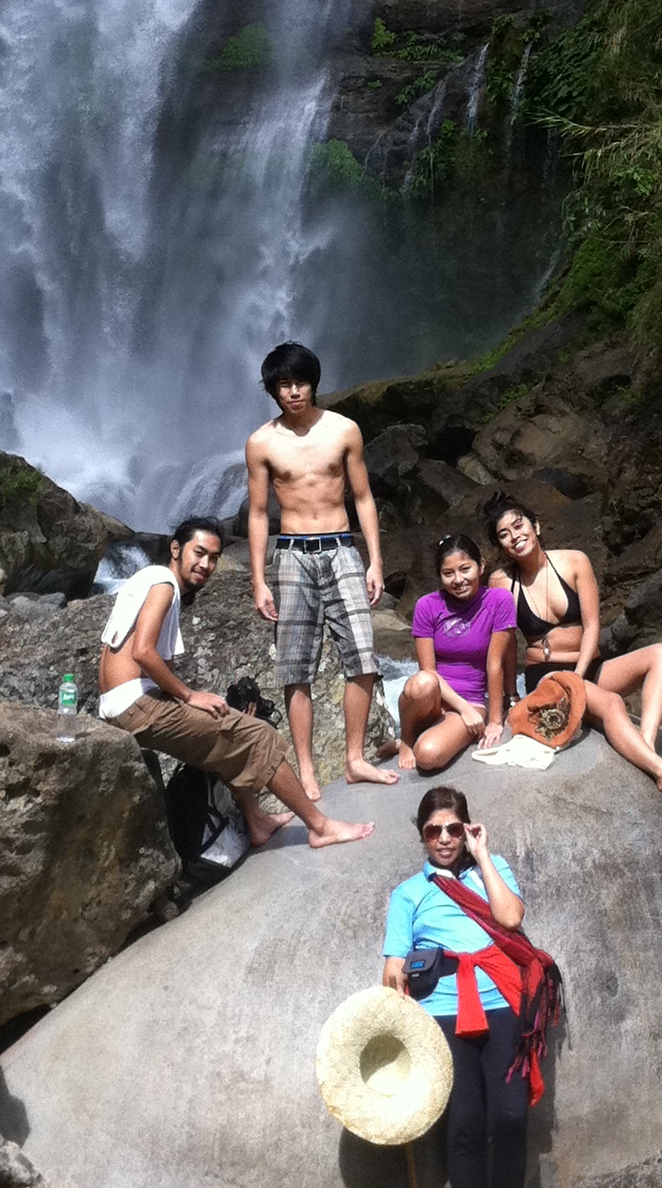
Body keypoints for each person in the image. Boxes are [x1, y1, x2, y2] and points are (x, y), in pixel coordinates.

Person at [382, 786, 562, 1188]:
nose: (444, 839)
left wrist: (483, 856)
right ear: (421, 835)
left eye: (454, 829)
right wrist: (395, 999)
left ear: (467, 830)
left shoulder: (493, 866)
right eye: (434, 830)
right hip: (440, 1015)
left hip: (501, 1005)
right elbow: (393, 964)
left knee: (509, 1119)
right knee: (463, 1126)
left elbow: (510, 919)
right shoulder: (408, 894)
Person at [98, 517, 370, 851]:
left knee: (230, 720)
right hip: (134, 706)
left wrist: (194, 701)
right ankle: (321, 826)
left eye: (213, 558)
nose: (206, 565)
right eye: (199, 553)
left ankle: (257, 820)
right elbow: (143, 652)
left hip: (120, 702)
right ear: (175, 549)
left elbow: (138, 658)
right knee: (258, 736)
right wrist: (188, 695)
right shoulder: (164, 585)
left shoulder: (149, 578)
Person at [244, 340, 398, 797]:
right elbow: (257, 513)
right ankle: (307, 770)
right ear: (273, 390)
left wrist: (376, 561)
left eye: (301, 382)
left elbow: (364, 497)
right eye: (284, 384)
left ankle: (354, 760)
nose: (294, 392)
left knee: (363, 657)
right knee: (296, 667)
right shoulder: (261, 442)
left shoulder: (344, 430)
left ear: (314, 383)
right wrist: (257, 581)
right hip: (290, 553)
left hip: (341, 547)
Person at [484, 493, 662, 797]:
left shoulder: (575, 561)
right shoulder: (500, 581)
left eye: (519, 526)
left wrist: (580, 672)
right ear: (501, 547)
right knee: (613, 704)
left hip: (589, 667)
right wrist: (509, 698)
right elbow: (505, 646)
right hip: (547, 676)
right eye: (504, 535)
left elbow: (592, 627)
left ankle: (647, 746)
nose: (515, 537)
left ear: (535, 525)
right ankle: (661, 770)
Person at [400, 535, 514, 772]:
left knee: (428, 755)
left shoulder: (499, 600)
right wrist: (463, 709)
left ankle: (432, 737)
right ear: (440, 576)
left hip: (472, 699)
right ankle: (406, 740)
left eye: (465, 569)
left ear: (480, 566)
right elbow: (428, 671)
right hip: (431, 699)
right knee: (422, 682)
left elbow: (495, 664)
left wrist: (494, 721)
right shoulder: (427, 605)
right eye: (448, 573)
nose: (458, 580)